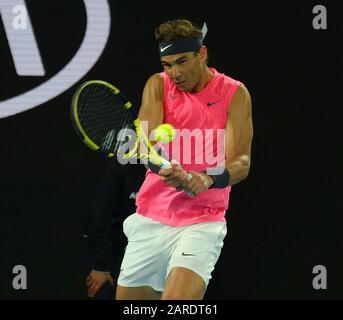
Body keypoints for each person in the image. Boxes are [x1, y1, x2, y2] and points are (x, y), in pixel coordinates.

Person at [116, 19, 253, 300]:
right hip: (151, 217)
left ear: (201, 55)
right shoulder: (157, 85)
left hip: (201, 222)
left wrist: (206, 179)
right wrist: (165, 168)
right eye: (167, 65)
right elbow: (146, 145)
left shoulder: (234, 93)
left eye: (181, 61)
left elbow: (241, 162)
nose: (174, 73)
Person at [82, 158, 146, 299]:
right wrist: (101, 266)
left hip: (148, 259)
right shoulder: (125, 165)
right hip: (110, 258)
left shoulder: (176, 167)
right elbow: (98, 218)